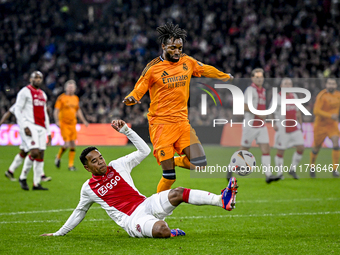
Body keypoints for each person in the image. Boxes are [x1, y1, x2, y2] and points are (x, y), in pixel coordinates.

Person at [40, 120, 238, 238]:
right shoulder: (88, 188)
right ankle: (170, 231)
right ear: (87, 167)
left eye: (100, 157)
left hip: (147, 203)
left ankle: (222, 200)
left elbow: (144, 150)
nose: (100, 162)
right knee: (161, 230)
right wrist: (58, 233)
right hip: (132, 219)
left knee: (179, 192)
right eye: (94, 161)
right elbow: (79, 212)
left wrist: (126, 130)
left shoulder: (118, 165)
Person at [123, 22, 233, 192]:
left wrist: (224, 76)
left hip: (182, 123)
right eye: (173, 48)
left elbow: (204, 69)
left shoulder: (187, 61)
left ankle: (173, 160)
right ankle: (155, 210)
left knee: (200, 164)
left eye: (180, 48)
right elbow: (140, 87)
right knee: (169, 176)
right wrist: (132, 98)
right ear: (163, 46)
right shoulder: (153, 68)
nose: (177, 51)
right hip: (161, 125)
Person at [239, 68, 281, 183]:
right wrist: (259, 113)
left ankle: (268, 175)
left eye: (261, 77)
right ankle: (230, 169)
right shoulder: (250, 90)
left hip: (261, 125)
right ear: (252, 78)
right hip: (250, 125)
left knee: (266, 148)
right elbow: (244, 106)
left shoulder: (263, 90)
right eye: (257, 77)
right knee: (244, 150)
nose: (259, 79)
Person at [15, 71, 52, 190]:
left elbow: (45, 114)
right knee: (34, 152)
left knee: (41, 154)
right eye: (35, 77)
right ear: (30, 79)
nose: (38, 79)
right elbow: (17, 109)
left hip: (41, 127)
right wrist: (24, 126)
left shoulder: (43, 94)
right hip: (30, 125)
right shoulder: (25, 92)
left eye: (40, 78)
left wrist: (49, 132)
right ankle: (23, 177)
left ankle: (36, 183)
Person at [2, 104, 52, 182]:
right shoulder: (22, 102)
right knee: (37, 151)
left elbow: (9, 112)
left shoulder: (31, 102)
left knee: (24, 152)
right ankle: (39, 175)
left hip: (28, 130)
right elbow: (10, 112)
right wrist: (1, 122)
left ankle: (10, 171)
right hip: (27, 130)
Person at [272, 78, 304, 180]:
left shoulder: (294, 96)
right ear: (281, 86)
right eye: (285, 84)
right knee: (281, 151)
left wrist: (301, 125)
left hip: (294, 127)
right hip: (282, 127)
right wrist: (273, 123)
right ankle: (279, 173)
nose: (288, 86)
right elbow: (271, 111)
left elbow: (298, 111)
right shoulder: (277, 97)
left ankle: (292, 169)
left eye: (290, 84)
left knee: (301, 147)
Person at [54, 80, 89, 171]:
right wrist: (57, 121)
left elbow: (78, 110)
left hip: (73, 123)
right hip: (64, 124)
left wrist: (84, 120)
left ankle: (70, 165)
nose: (70, 89)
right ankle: (58, 157)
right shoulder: (61, 98)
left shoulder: (76, 98)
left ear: (75, 89)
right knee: (67, 144)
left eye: (72, 87)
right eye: (69, 87)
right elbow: (56, 110)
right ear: (66, 88)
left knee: (73, 144)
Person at [310, 78, 340, 178]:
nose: (331, 85)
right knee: (316, 148)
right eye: (329, 83)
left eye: (333, 84)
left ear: (336, 85)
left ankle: (335, 169)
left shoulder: (338, 95)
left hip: (332, 125)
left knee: (336, 143)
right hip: (320, 125)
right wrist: (330, 115)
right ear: (326, 85)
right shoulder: (322, 95)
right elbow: (316, 111)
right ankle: (312, 166)